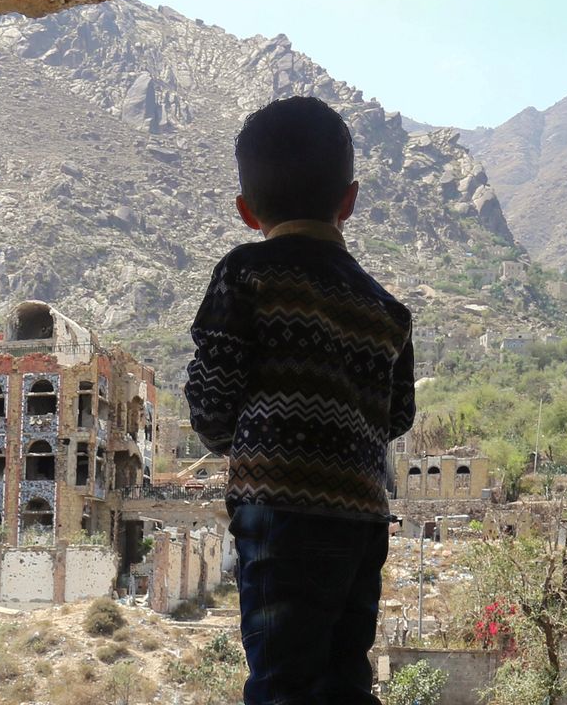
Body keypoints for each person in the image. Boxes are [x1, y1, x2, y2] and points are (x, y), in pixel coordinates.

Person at [185, 96, 415, 705]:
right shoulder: (388, 311)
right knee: (345, 677)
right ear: (349, 200)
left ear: (244, 210)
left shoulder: (246, 275)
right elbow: (397, 418)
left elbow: (211, 412)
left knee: (282, 681)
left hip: (278, 518)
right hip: (362, 521)